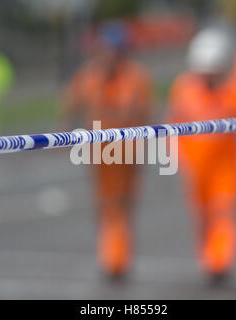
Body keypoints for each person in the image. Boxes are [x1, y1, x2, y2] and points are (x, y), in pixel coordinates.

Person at [168, 27, 236, 282]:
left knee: (224, 211)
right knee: (201, 215)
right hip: (195, 166)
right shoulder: (184, 88)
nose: (208, 76)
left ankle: (220, 262)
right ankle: (208, 258)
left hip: (226, 166)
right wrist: (174, 155)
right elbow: (174, 123)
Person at [65, 22, 152, 278]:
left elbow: (142, 112)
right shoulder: (90, 76)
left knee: (124, 204)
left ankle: (119, 257)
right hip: (99, 152)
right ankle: (112, 257)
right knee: (105, 205)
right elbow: (71, 103)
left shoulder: (135, 77)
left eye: (113, 50)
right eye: (104, 50)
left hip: (127, 151)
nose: (108, 56)